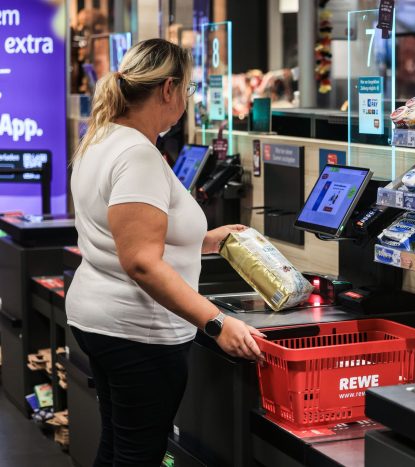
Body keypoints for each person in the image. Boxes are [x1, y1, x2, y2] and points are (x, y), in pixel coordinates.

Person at [66, 38, 264, 467]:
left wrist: (205, 240)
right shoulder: (137, 153)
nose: (188, 102)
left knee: (118, 445)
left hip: (100, 319)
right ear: (168, 89)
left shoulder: (104, 137)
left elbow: (122, 228)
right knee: (139, 454)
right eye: (189, 91)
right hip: (137, 331)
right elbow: (140, 260)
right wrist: (216, 321)